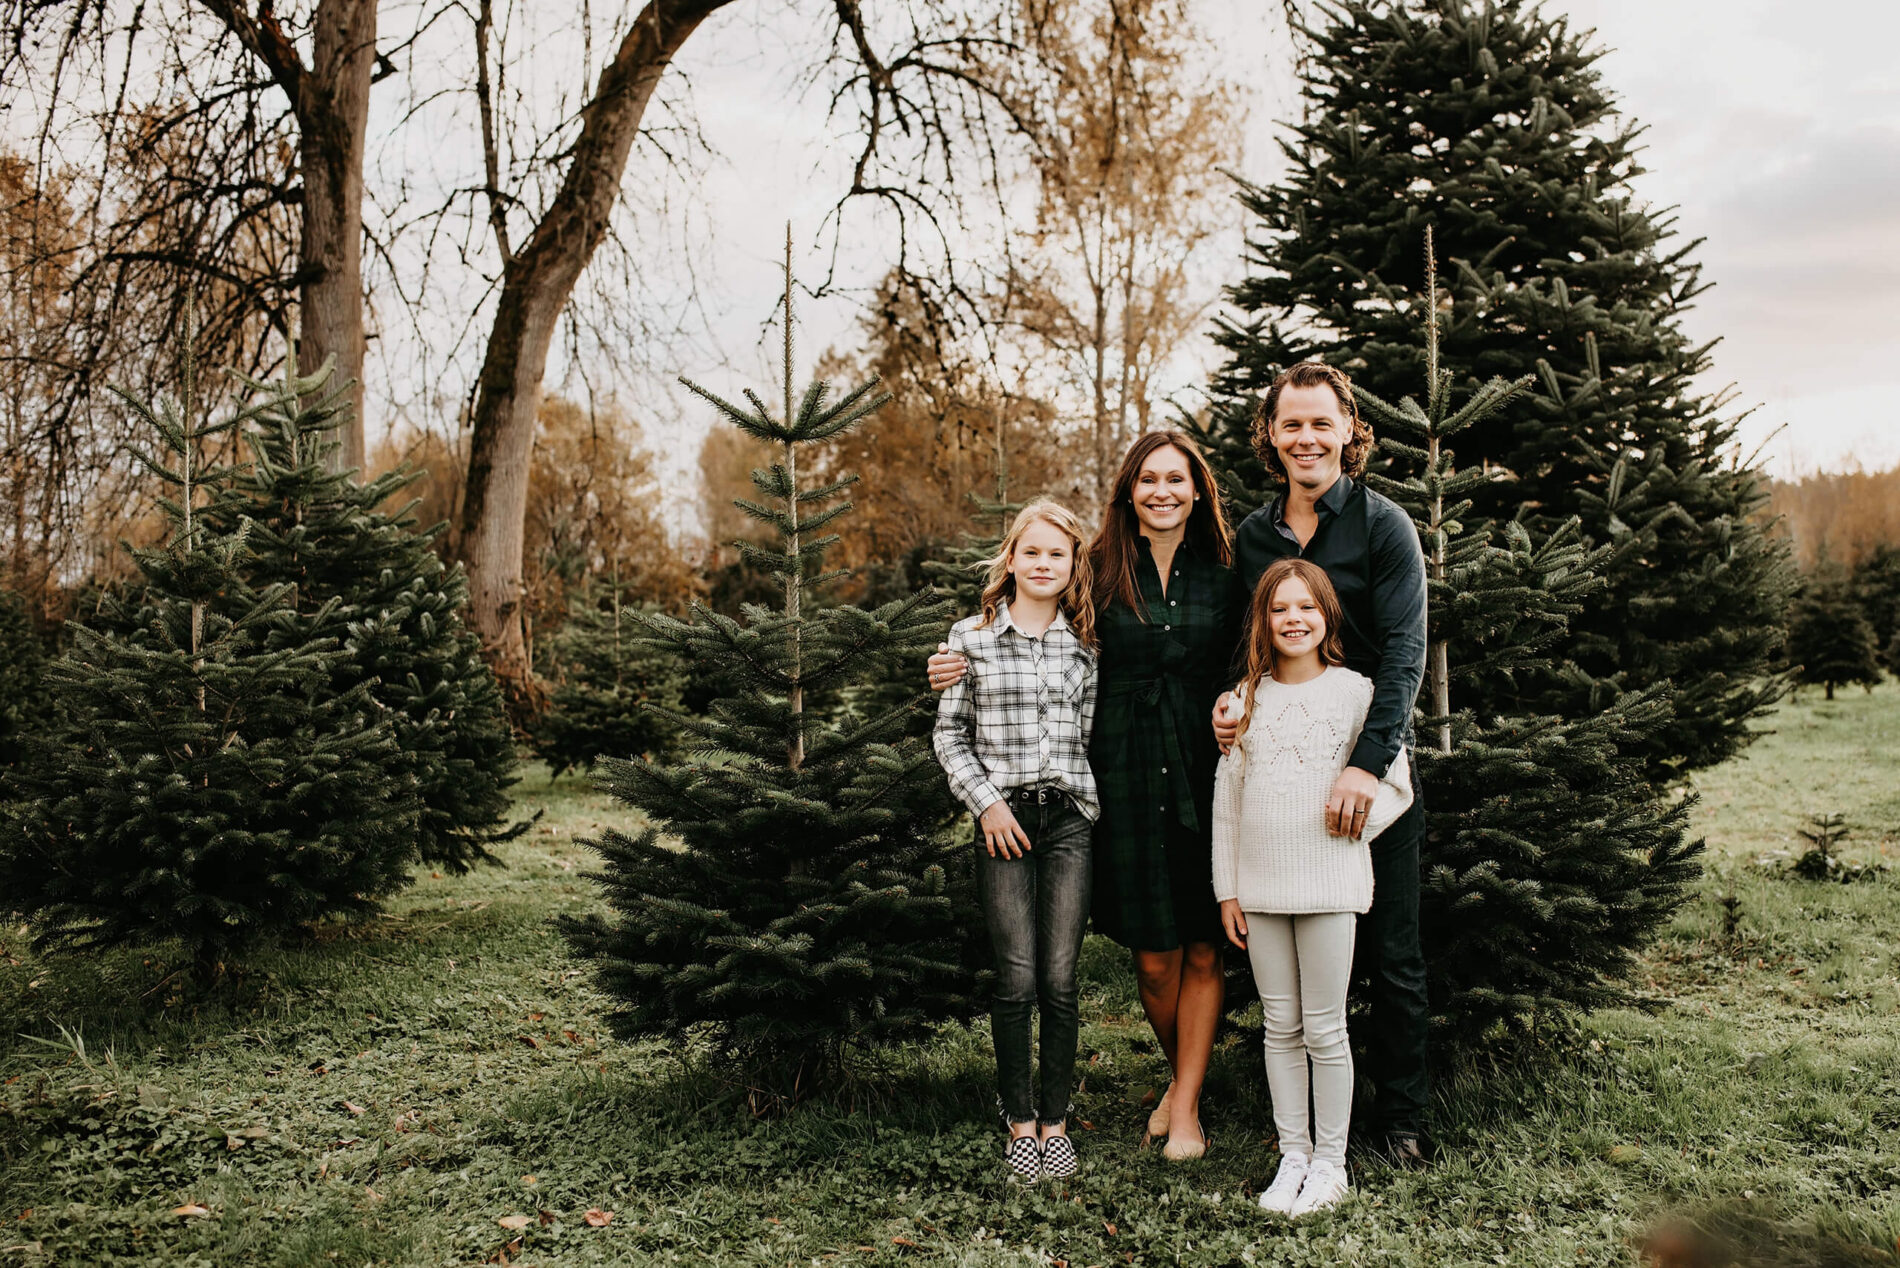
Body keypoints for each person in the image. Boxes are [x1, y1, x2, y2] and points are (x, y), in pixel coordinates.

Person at [930, 432, 1245, 1161]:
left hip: (1203, 763)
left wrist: (1237, 701)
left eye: (1178, 478)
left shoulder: (1225, 573)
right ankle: (1175, 1079)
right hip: (1121, 772)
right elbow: (1023, 629)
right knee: (1155, 956)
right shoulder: (1099, 568)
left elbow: (1250, 652)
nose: (1163, 491)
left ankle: (1186, 1103)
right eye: (1148, 479)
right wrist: (950, 661)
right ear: (1128, 492)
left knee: (1203, 947)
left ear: (1199, 490)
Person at [1212, 360, 1433, 1167]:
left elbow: (1405, 652)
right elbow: (1243, 643)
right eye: (1291, 423)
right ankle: (1298, 1124)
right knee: (1295, 964)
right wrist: (1227, 701)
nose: (1306, 437)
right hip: (1282, 775)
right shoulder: (1254, 536)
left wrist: (1367, 765)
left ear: (1350, 430)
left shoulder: (1382, 527)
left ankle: (1401, 1123)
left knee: (1394, 954)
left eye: (1321, 422)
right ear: (1271, 435)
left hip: (1369, 770)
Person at [1213, 557, 1412, 1216]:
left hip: (1330, 886)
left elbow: (1396, 787)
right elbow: (1229, 803)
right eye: (1279, 609)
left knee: (1325, 1028)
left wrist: (1348, 831)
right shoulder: (1246, 699)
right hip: (1261, 889)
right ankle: (1293, 1155)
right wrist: (1227, 890)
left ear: (1326, 615)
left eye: (1306, 607)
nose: (1293, 619)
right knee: (1280, 1025)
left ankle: (1331, 1163)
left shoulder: (1355, 693)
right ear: (1263, 622)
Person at [933, 499, 1100, 1183]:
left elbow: (1085, 737)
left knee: (1059, 979)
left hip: (1067, 822)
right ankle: (1020, 1123)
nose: (1042, 564)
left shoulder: (1084, 647)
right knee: (1016, 978)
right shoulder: (967, 640)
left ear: (1071, 567)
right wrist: (987, 806)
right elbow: (950, 735)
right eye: (1031, 552)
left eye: (1056, 555)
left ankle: (1056, 1124)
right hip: (1001, 821)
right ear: (1011, 558)